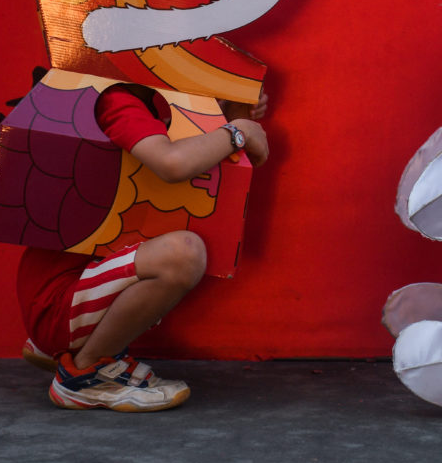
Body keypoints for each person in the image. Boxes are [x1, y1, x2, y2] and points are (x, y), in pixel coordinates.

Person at [15, 82, 270, 412]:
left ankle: (72, 349)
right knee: (182, 255)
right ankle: (85, 375)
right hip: (58, 301)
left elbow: (213, 170)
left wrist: (232, 113)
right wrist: (238, 132)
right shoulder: (116, 99)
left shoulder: (152, 105)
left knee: (182, 244)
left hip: (66, 295)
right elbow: (173, 163)